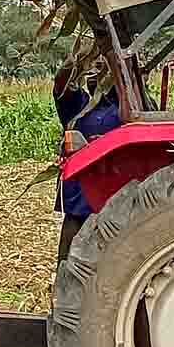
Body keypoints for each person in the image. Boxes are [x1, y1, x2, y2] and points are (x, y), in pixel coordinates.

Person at [52, 66, 121, 262]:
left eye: (101, 68)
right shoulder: (78, 105)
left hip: (114, 195)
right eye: (92, 69)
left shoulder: (127, 106)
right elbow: (62, 83)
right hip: (79, 198)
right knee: (70, 257)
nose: (95, 74)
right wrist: (75, 61)